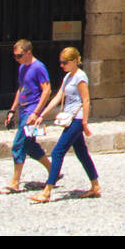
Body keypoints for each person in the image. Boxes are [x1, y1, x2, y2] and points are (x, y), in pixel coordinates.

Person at [29, 47, 101, 202]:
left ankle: (47, 191)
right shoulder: (68, 76)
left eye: (65, 63)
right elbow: (57, 98)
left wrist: (85, 123)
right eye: (60, 63)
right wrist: (41, 115)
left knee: (57, 153)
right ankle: (95, 186)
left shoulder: (80, 77)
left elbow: (86, 100)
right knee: (81, 153)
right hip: (69, 118)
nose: (62, 66)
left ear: (75, 61)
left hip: (76, 119)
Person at [0, 39, 54, 195]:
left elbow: (47, 90)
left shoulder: (39, 67)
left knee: (18, 144)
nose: (16, 59)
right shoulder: (22, 68)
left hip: (31, 111)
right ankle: (53, 171)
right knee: (29, 145)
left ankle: (15, 182)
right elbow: (21, 89)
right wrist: (12, 111)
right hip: (23, 110)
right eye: (15, 56)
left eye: (19, 56)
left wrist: (36, 113)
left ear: (28, 53)